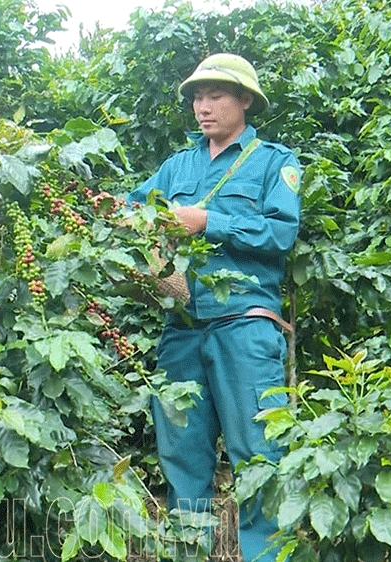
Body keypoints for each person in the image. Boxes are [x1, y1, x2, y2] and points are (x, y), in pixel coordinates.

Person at [127, 53, 301, 562]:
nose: (203, 107)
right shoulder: (176, 166)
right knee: (182, 456)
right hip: (180, 329)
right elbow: (130, 210)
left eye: (216, 96)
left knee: (260, 455)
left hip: (245, 328)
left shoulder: (274, 161)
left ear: (245, 100)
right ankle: (187, 553)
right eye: (198, 98)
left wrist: (208, 222)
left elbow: (281, 233)